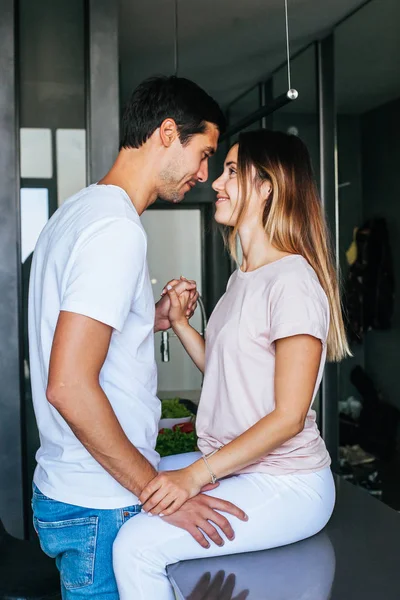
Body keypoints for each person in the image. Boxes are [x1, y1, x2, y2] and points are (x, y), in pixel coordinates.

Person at [29, 76, 248, 599]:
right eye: (204, 154)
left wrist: (153, 317)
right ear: (167, 133)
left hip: (74, 491)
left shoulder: (78, 213)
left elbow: (79, 333)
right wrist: (158, 492)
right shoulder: (115, 229)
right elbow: (69, 385)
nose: (205, 174)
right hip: (101, 504)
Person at [112, 129, 350, 599]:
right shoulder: (244, 277)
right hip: (239, 466)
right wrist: (180, 323)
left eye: (232, 171)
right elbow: (227, 374)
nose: (215, 182)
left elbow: (287, 416)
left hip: (288, 482)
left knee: (135, 547)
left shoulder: (294, 282)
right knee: (128, 486)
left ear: (268, 188)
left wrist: (197, 476)